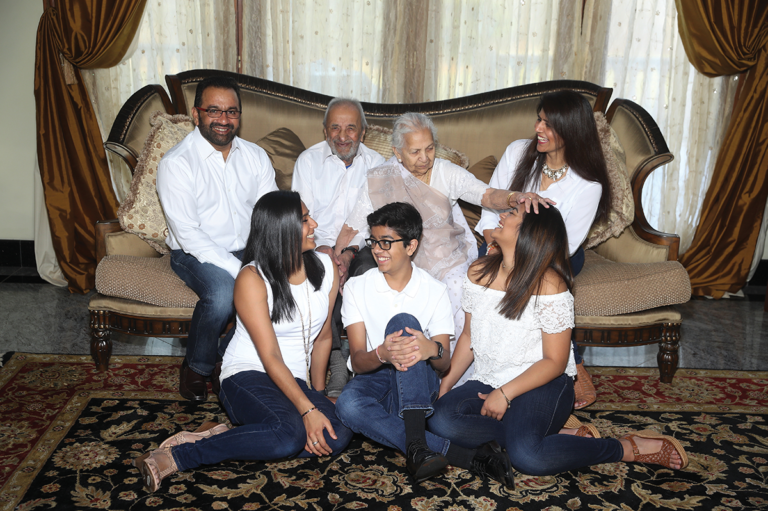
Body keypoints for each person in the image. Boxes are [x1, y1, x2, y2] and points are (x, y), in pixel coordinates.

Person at [429, 205, 688, 476]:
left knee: (528, 457)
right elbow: (469, 336)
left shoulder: (550, 284)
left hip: (544, 383)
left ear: (530, 233)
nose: (502, 215)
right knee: (440, 420)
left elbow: (555, 361)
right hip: (489, 378)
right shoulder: (478, 272)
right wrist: (446, 383)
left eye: (512, 214)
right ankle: (550, 433)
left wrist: (504, 394)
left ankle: (621, 447)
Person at [134, 191, 353, 492]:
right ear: (281, 229)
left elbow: (324, 337)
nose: (314, 224)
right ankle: (179, 456)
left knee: (337, 433)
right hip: (248, 375)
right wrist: (308, 410)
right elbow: (270, 356)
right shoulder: (252, 279)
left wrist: (315, 397)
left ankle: (223, 435)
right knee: (288, 436)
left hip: (294, 382)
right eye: (304, 220)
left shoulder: (325, 267)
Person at [335, 202, 514, 486]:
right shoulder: (358, 287)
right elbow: (357, 360)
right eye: (373, 242)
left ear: (410, 246)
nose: (377, 250)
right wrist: (382, 353)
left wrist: (433, 349)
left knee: (403, 322)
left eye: (386, 242)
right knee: (347, 405)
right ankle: (454, 453)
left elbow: (443, 364)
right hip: (375, 377)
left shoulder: (434, 290)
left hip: (417, 383)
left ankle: (417, 442)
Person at [336, 113, 515, 386]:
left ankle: (454, 380)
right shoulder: (381, 178)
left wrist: (514, 197)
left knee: (457, 286)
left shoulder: (445, 171)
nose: (424, 158)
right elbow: (355, 226)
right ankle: (400, 373)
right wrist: (343, 257)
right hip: (402, 259)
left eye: (430, 148)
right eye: (415, 151)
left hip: (447, 254)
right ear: (397, 152)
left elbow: (487, 195)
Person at [474, 90, 613, 409]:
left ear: (572, 130)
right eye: (539, 119)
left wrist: (513, 263)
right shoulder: (516, 152)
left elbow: (565, 244)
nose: (539, 128)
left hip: (555, 254)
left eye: (550, 124)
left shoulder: (588, 185)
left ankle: (568, 359)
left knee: (545, 281)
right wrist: (495, 248)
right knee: (486, 277)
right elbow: (488, 210)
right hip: (499, 241)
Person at [157, 76, 278, 401]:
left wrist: (271, 259)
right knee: (225, 294)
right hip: (194, 253)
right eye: (214, 110)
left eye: (231, 112)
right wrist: (242, 271)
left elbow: (270, 214)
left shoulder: (255, 156)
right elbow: (188, 235)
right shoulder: (176, 163)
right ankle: (197, 367)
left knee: (285, 285)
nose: (224, 119)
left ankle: (227, 357)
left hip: (249, 249)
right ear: (196, 115)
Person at [292, 98, 385, 396]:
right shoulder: (308, 161)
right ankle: (334, 357)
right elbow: (301, 216)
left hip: (362, 245)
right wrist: (323, 250)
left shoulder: (378, 166)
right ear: (324, 131)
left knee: (371, 267)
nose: (342, 136)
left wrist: (349, 252)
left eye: (350, 128)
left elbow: (377, 221)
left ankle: (358, 357)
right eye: (335, 128)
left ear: (364, 133)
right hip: (315, 243)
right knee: (319, 269)